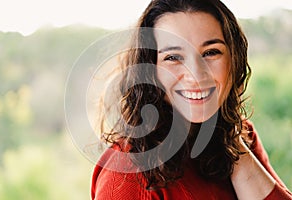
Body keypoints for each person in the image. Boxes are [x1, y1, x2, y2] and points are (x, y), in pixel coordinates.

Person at [91, 0, 292, 199]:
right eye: (173, 57)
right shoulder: (125, 176)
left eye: (211, 52)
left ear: (234, 60)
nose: (195, 74)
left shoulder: (241, 136)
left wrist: (232, 144)